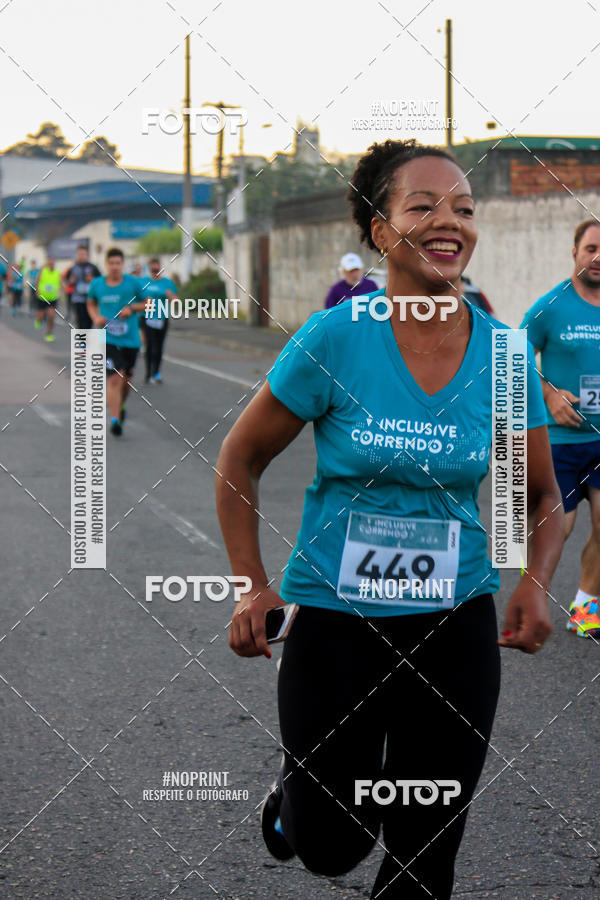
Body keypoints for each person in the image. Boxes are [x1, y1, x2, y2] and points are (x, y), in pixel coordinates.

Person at [215, 139, 564, 899]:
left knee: (425, 852)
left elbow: (541, 496)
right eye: (424, 205)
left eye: (465, 208)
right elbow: (239, 460)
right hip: (338, 620)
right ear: (379, 231)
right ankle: (300, 801)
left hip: (454, 621)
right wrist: (251, 586)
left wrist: (535, 582)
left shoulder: (504, 358)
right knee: (332, 847)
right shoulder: (336, 337)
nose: (451, 221)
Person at [521, 218, 600, 638]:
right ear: (575, 253)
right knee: (561, 526)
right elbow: (512, 357)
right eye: (591, 249)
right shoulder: (551, 307)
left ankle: (585, 611)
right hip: (561, 442)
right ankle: (531, 595)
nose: (598, 257)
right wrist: (549, 394)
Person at [87, 247, 148, 437]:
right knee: (114, 378)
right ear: (106, 264)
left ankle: (120, 405)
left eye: (118, 263)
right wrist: (95, 316)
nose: (114, 267)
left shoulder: (133, 283)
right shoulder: (97, 284)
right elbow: (91, 303)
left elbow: (149, 304)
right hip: (106, 338)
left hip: (130, 339)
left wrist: (132, 308)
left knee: (126, 380)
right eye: (111, 263)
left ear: (122, 265)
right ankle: (115, 420)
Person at [140, 257, 176, 384]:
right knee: (150, 346)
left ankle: (156, 373)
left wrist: (170, 296)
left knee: (159, 347)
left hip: (162, 318)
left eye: (157, 267)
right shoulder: (143, 282)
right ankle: (148, 373)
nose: (155, 269)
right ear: (150, 268)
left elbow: (175, 299)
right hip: (147, 317)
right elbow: (136, 298)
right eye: (153, 267)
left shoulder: (167, 282)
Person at [68, 245, 101, 330]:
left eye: (83, 254)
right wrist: (71, 281)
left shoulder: (93, 267)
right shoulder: (73, 268)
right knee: (80, 322)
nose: (81, 256)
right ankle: (81, 342)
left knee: (89, 322)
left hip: (90, 299)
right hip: (78, 299)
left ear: (87, 255)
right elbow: (67, 280)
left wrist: (92, 279)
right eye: (80, 254)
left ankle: (89, 341)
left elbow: (100, 280)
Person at [35, 256, 61, 341]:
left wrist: (62, 292)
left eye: (52, 263)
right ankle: (39, 320)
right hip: (42, 297)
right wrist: (37, 290)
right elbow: (37, 280)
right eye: (49, 263)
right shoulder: (42, 271)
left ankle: (49, 334)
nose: (51, 264)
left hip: (52, 298)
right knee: (41, 316)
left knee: (51, 316)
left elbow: (61, 283)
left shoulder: (57, 273)